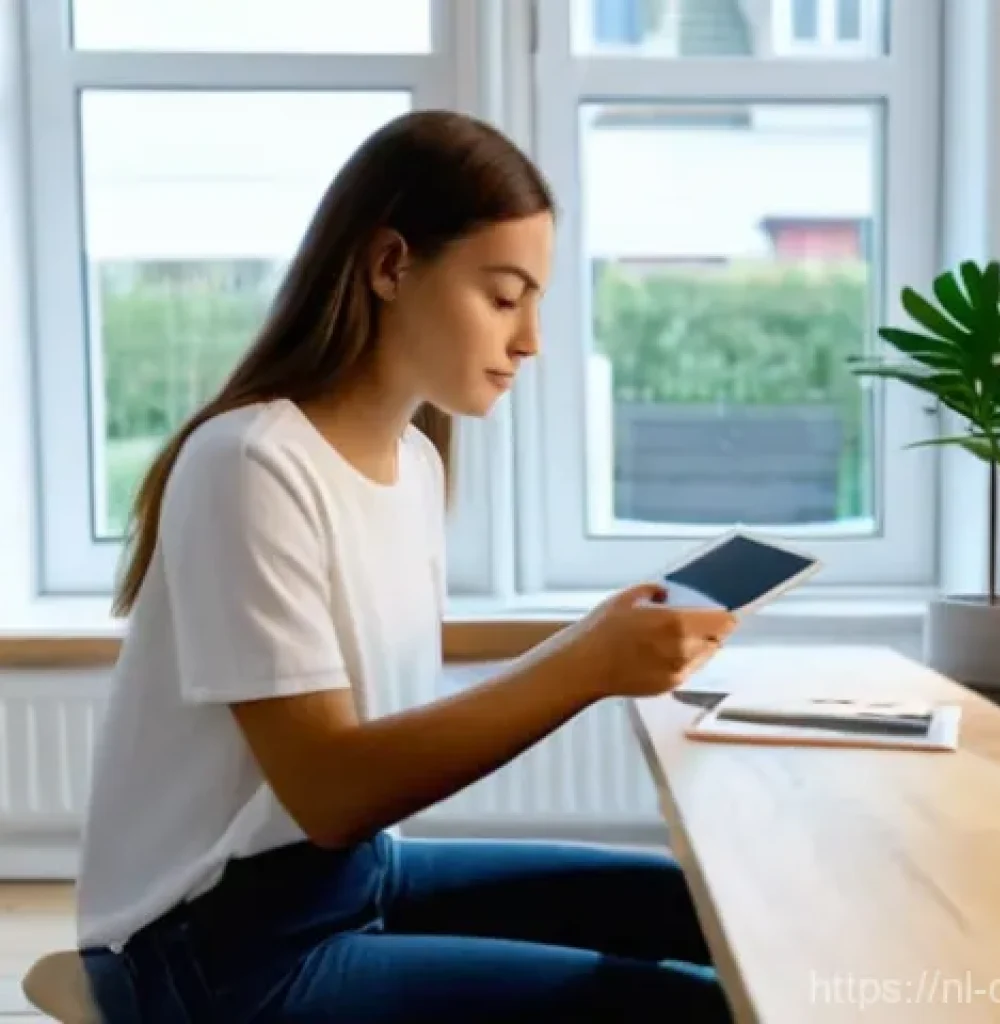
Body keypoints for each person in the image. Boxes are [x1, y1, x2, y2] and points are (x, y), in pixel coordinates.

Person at [76, 109, 737, 1023]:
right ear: (390, 266)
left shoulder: (417, 463)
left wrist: (592, 645)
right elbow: (331, 792)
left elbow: (348, 809)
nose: (531, 339)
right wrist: (587, 664)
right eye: (504, 297)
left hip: (345, 880)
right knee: (688, 1007)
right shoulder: (251, 463)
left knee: (697, 908)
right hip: (210, 954)